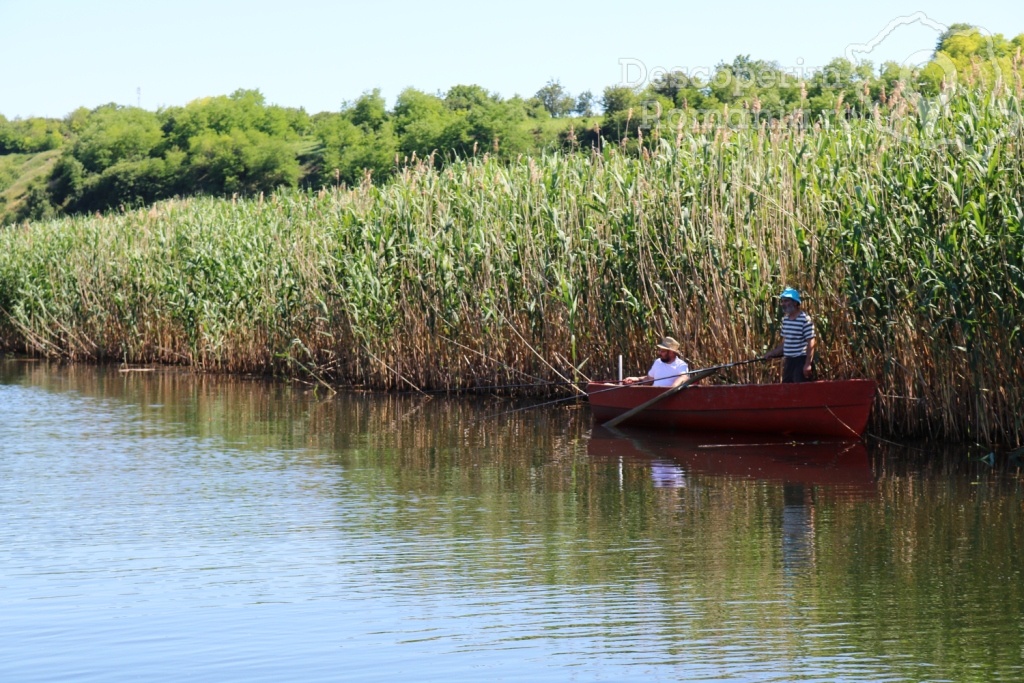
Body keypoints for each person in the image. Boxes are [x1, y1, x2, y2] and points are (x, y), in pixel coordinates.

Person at [763, 287, 816, 383]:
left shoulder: (805, 319)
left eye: (786, 301)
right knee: (787, 388)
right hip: (789, 361)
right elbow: (786, 343)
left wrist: (808, 364)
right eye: (782, 301)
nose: (783, 304)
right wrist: (772, 353)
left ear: (795, 303)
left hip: (801, 360)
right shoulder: (786, 320)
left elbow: (811, 342)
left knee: (800, 390)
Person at [623, 337, 690, 387]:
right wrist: (636, 379)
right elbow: (649, 379)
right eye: (660, 351)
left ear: (671, 352)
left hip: (670, 398)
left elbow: (684, 377)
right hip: (654, 395)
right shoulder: (658, 362)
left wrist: (672, 389)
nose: (660, 353)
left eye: (663, 351)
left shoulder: (681, 365)